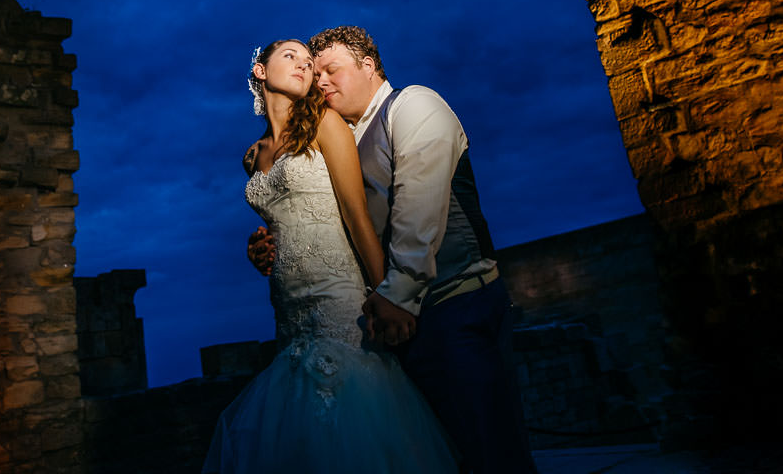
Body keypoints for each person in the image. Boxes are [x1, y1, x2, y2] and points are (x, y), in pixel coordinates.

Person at [248, 26, 538, 474]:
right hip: (388, 312)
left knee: (489, 449)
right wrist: (273, 242)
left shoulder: (415, 105)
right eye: (313, 69)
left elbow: (417, 214)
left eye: (330, 69)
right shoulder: (330, 132)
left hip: (453, 302)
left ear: (368, 67)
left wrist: (395, 295)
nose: (319, 79)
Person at [204, 40, 457, 474]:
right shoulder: (252, 156)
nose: (304, 66)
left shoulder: (325, 123)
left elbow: (357, 217)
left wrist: (390, 297)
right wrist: (258, 247)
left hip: (338, 296)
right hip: (288, 305)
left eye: (310, 62)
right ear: (261, 71)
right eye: (291, 57)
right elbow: (280, 218)